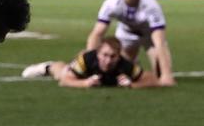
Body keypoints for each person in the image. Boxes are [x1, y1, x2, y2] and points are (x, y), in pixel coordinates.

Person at [85, 0, 175, 86]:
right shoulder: (111, 4)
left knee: (159, 75)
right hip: (126, 33)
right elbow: (97, 34)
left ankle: (162, 72)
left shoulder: (151, 6)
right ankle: (134, 64)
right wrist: (89, 66)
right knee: (119, 69)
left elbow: (159, 42)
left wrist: (166, 75)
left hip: (148, 35)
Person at [21, 36, 160, 88]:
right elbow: (64, 81)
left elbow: (152, 79)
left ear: (118, 57)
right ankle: (46, 67)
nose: (108, 60)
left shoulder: (125, 65)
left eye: (113, 56)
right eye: (105, 55)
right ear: (98, 54)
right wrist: (84, 83)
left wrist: (132, 85)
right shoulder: (88, 60)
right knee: (61, 72)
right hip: (85, 72)